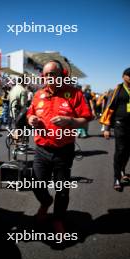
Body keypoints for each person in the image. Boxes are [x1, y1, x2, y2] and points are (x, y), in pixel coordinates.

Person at [27, 60, 93, 235]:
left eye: (53, 74)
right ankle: (46, 202)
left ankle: (58, 220)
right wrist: (30, 119)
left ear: (61, 75)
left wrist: (70, 121)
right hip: (41, 150)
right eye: (46, 74)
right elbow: (30, 113)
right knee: (36, 183)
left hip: (64, 151)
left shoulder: (75, 94)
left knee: (62, 190)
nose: (49, 77)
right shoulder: (38, 94)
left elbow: (86, 120)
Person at [103, 68, 130, 191]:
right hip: (120, 125)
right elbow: (109, 109)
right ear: (123, 76)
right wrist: (107, 128)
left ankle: (123, 170)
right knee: (120, 150)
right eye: (129, 75)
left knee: (127, 152)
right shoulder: (116, 91)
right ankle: (117, 177)